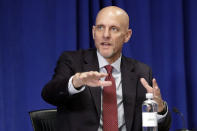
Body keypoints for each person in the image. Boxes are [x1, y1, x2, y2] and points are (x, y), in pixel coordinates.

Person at [42, 6, 171, 131]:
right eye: (100, 28)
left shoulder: (141, 71)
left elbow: (159, 128)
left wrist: (159, 108)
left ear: (127, 35)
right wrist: (76, 82)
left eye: (114, 29)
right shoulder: (72, 61)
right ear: (93, 32)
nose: (105, 35)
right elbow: (49, 94)